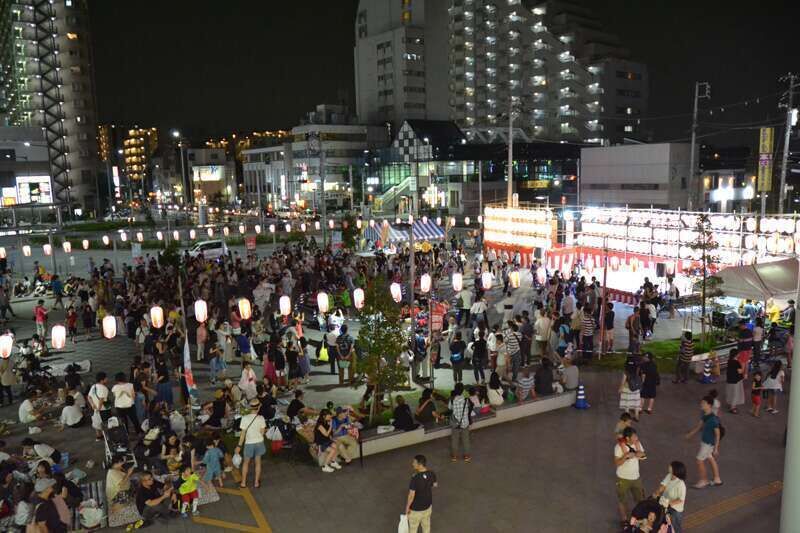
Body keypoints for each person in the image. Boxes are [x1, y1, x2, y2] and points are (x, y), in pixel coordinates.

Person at [685, 395, 722, 489]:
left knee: (699, 460)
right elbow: (699, 426)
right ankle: (717, 479)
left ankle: (703, 480)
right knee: (710, 458)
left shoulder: (713, 420)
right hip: (705, 442)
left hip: (708, 444)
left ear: (709, 405)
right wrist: (690, 434)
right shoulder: (704, 414)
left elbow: (718, 434)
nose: (701, 404)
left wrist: (716, 448)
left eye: (703, 403)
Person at [614, 427, 646, 526]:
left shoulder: (637, 443)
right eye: (634, 436)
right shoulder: (618, 447)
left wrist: (638, 454)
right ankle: (624, 520)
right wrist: (625, 456)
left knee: (640, 499)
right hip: (623, 478)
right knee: (622, 500)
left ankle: (640, 517)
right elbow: (617, 463)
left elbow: (643, 456)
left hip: (636, 477)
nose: (636, 437)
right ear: (628, 438)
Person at [234, 398, 266, 489]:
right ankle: (256, 482)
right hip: (259, 442)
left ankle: (243, 483)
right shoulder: (261, 418)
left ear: (250, 408)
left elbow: (242, 435)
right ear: (259, 407)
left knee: (246, 463)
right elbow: (262, 433)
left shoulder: (244, 418)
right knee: (258, 462)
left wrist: (239, 446)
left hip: (249, 444)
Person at [651, 461, 687, 533]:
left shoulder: (681, 484)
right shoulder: (669, 475)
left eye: (671, 466)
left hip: (675, 509)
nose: (669, 466)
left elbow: (680, 499)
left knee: (675, 525)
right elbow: (663, 485)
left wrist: (669, 503)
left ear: (675, 470)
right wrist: (657, 492)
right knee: (665, 522)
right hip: (665, 504)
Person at [405, 454, 437, 533]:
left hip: (416, 510)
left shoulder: (415, 478)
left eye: (414, 462)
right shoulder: (431, 473)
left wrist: (407, 507)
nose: (412, 464)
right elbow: (435, 485)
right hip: (428, 507)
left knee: (413, 528)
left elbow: (411, 495)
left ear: (420, 465)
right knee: (426, 526)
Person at [448, 383, 471, 462]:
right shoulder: (466, 399)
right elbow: (468, 409)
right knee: (466, 440)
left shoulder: (452, 400)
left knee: (455, 440)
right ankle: (467, 456)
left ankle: (454, 456)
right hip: (465, 423)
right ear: (463, 390)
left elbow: (449, 408)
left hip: (455, 423)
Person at [88, 372, 111, 441]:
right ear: (102, 380)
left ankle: (98, 436)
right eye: (106, 378)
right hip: (104, 409)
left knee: (96, 422)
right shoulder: (104, 388)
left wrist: (92, 405)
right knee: (106, 423)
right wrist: (99, 408)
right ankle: (108, 437)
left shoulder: (93, 386)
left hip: (95, 409)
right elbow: (101, 399)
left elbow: (89, 397)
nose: (107, 379)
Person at [725, 349, 745, 414]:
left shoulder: (729, 361)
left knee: (731, 392)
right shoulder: (736, 362)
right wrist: (743, 367)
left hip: (729, 380)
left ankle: (731, 404)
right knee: (735, 394)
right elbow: (740, 371)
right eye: (738, 353)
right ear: (736, 355)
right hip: (736, 381)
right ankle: (732, 408)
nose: (739, 354)